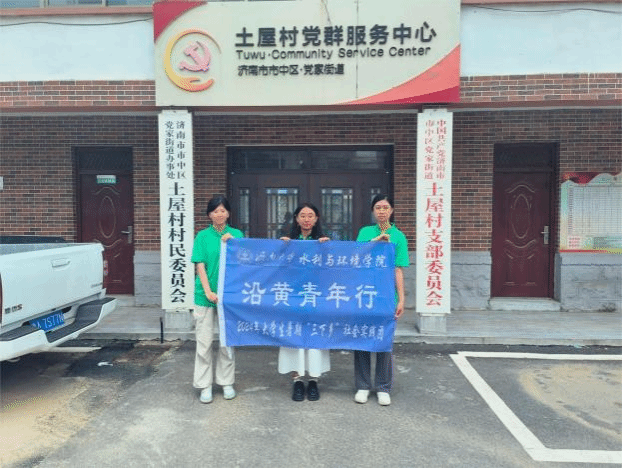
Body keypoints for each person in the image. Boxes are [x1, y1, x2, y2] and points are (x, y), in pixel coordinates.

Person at [353, 194, 409, 406]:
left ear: (391, 210)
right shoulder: (365, 232)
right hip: (364, 293)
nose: (382, 211)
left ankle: (383, 387)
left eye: (385, 207)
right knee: (362, 338)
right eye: (378, 207)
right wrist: (375, 242)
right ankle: (363, 385)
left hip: (386, 296)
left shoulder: (398, 236)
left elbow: (398, 269)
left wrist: (401, 299)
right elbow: (355, 257)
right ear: (373, 211)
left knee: (384, 340)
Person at [191, 196, 244, 404]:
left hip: (228, 298)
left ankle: (226, 382)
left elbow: (242, 263)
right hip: (204, 297)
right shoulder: (202, 236)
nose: (219, 214)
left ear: (228, 213)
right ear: (209, 214)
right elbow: (200, 265)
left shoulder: (237, 235)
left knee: (226, 342)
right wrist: (207, 291)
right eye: (215, 211)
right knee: (204, 343)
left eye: (223, 210)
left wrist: (233, 244)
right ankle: (204, 385)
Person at [278, 202, 330, 402]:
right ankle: (297, 380)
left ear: (316, 219)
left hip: (316, 296)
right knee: (294, 337)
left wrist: (328, 249)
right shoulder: (288, 241)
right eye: (303, 215)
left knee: (315, 337)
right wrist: (281, 248)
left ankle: (314, 380)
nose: (306, 219)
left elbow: (334, 269)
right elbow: (278, 268)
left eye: (310, 215)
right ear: (296, 219)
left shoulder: (324, 242)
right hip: (293, 296)